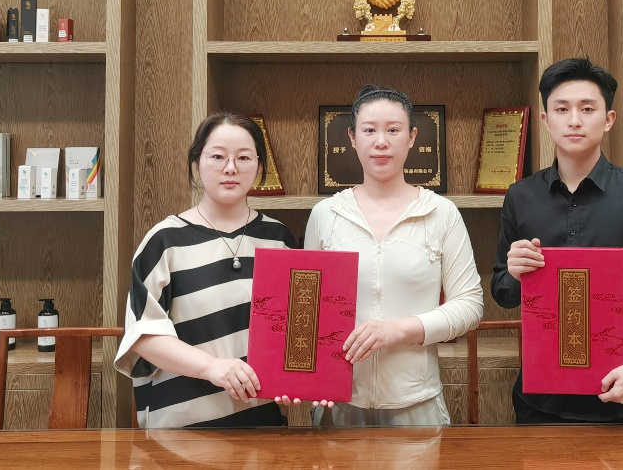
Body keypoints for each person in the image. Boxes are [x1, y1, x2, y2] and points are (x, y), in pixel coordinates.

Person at [491, 58, 623, 424]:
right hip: (538, 403)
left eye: (587, 109)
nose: (574, 120)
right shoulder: (520, 196)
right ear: (546, 120)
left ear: (608, 119)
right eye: (562, 109)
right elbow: (503, 294)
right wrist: (514, 274)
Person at [304, 85, 484, 427]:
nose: (381, 142)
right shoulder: (326, 215)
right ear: (352, 137)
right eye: (369, 130)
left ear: (412, 137)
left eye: (393, 130)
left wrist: (399, 330)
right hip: (338, 402)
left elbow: (470, 304)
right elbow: (308, 308)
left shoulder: (441, 213)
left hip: (417, 403)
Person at [114, 112, 300, 428]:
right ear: (197, 162)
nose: (231, 168)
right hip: (182, 428)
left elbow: (295, 329)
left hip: (262, 423)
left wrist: (302, 378)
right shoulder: (164, 241)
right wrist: (212, 367)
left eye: (244, 157)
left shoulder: (278, 238)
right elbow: (143, 335)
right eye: (217, 156)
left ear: (259, 167)